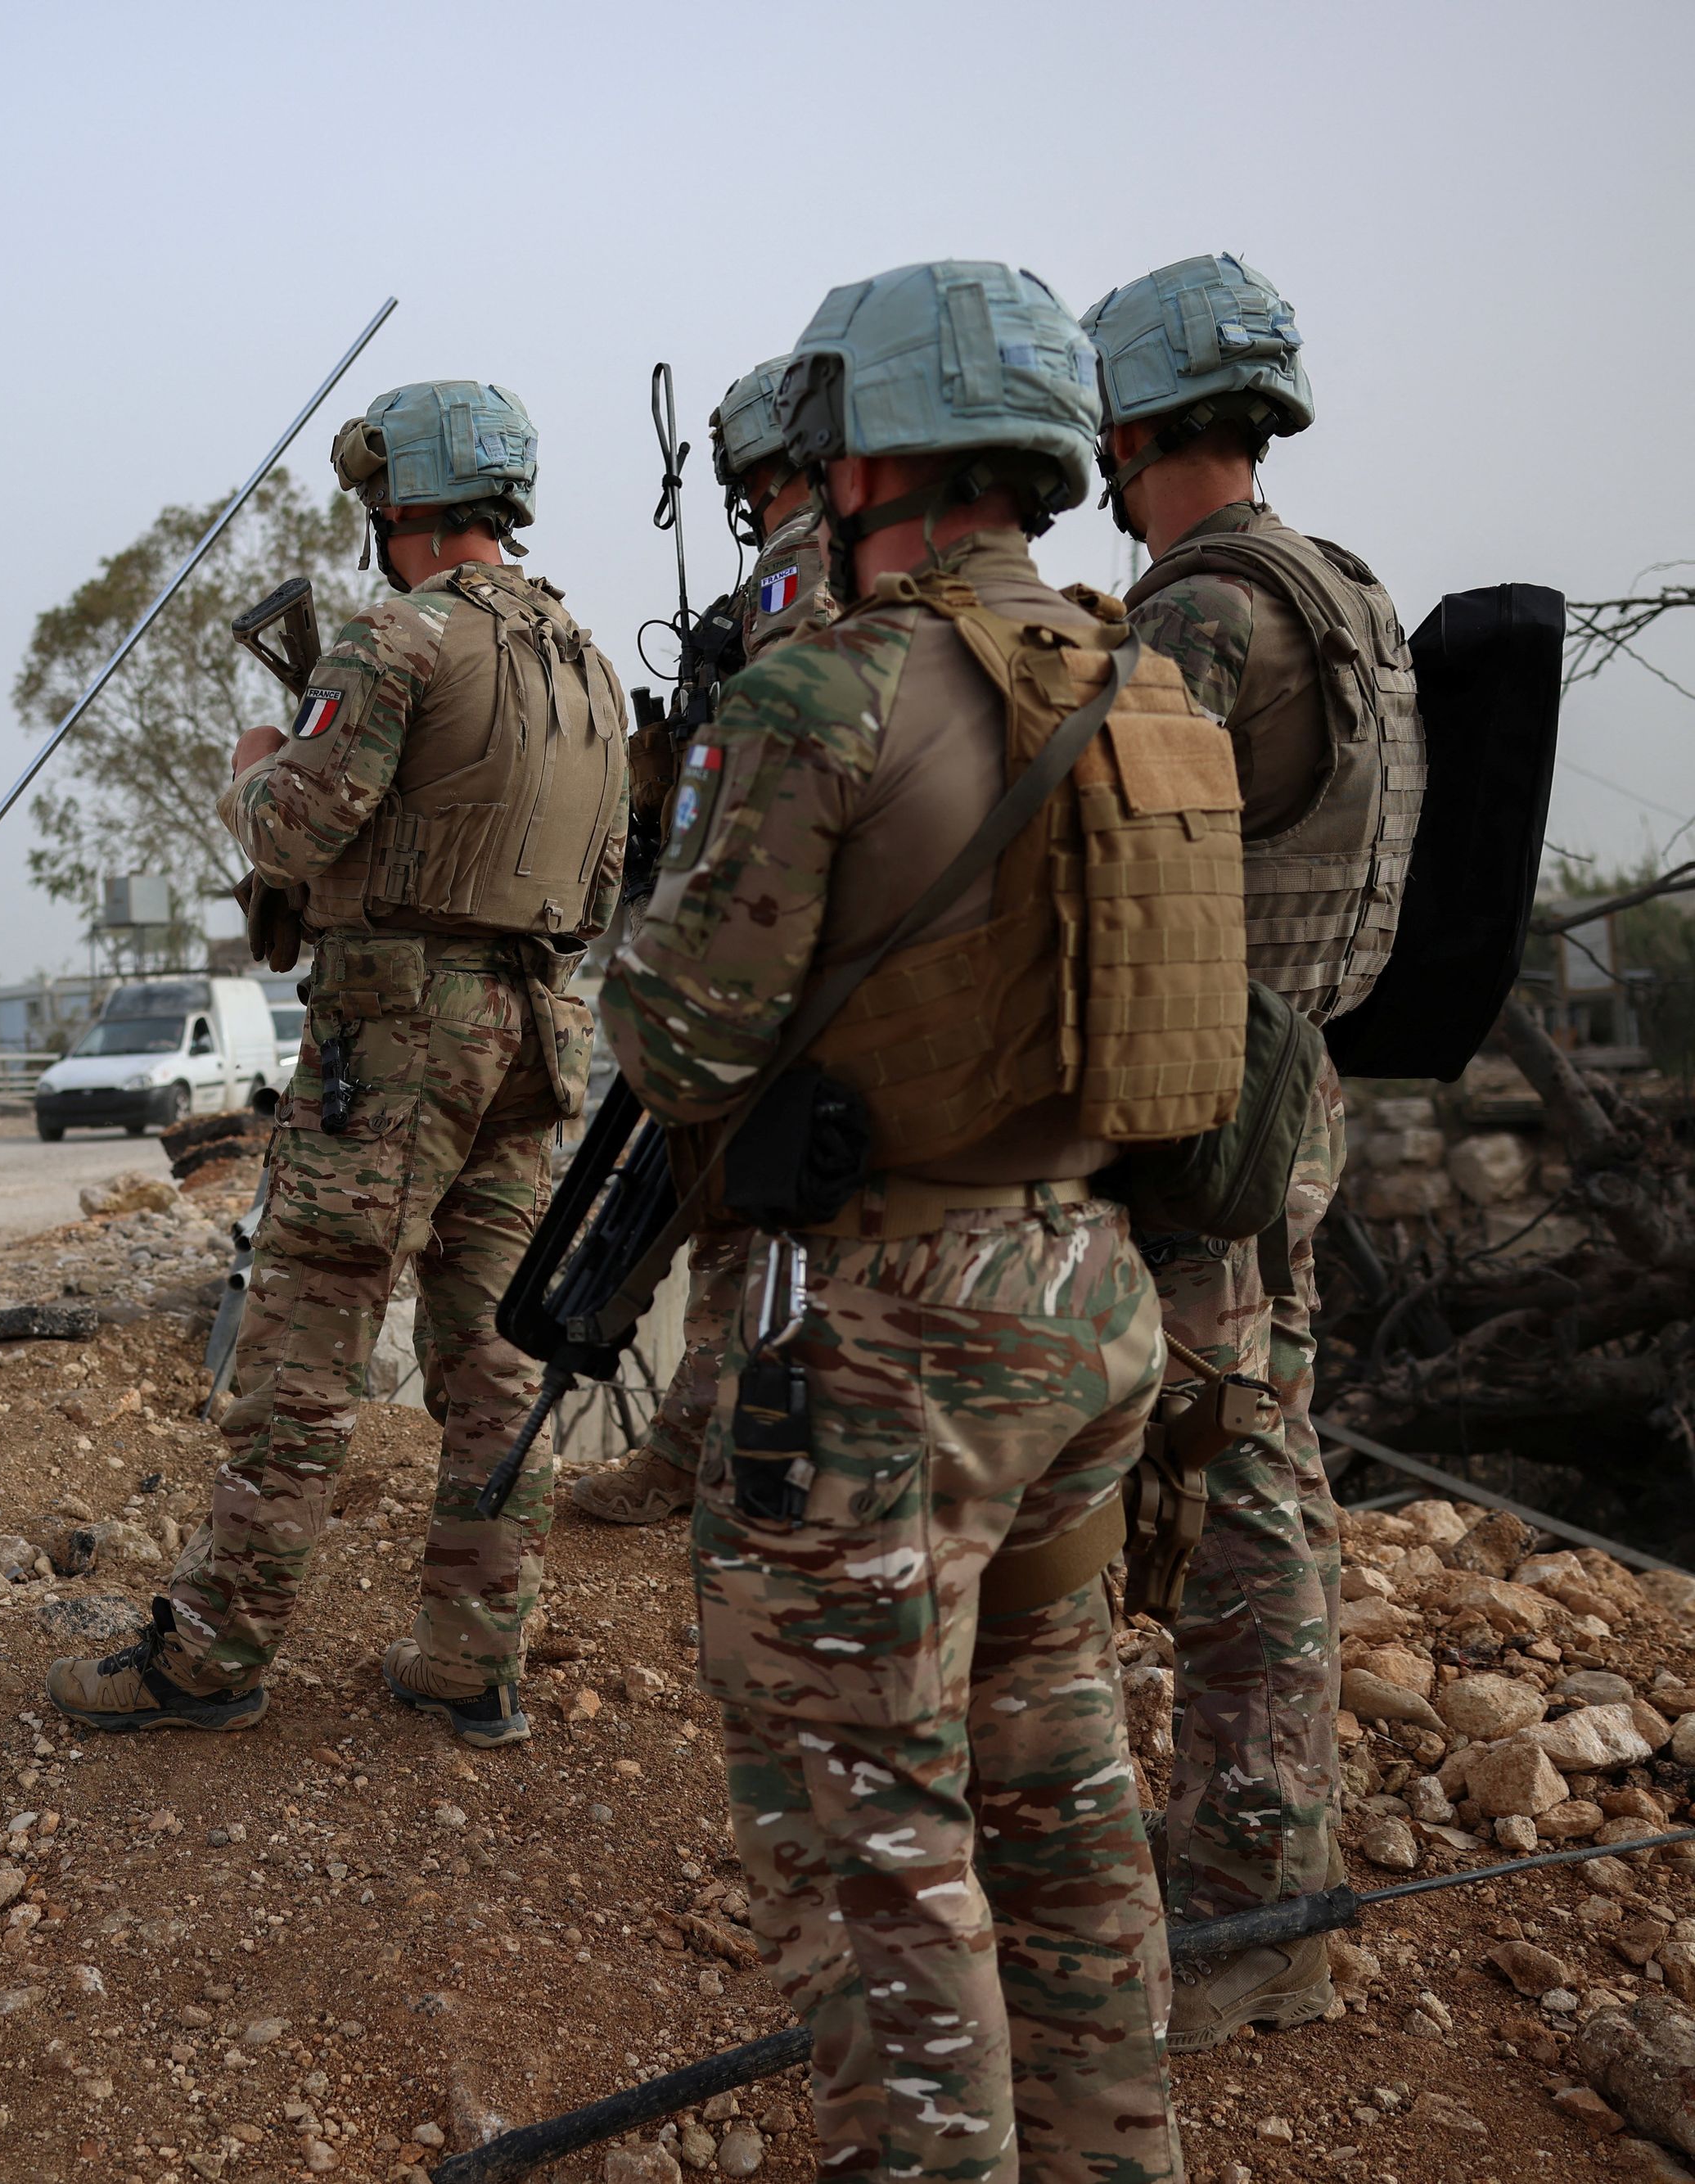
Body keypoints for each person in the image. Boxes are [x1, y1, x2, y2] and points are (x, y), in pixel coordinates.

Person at [604, 260, 1237, 2183]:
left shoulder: (829, 685)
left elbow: (676, 1037)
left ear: (869, 450)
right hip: (1088, 1305)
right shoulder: (1147, 679)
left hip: (891, 1336)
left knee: (872, 1846)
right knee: (1058, 1796)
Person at [47, 379, 624, 1749]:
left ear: (396, 503)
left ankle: (211, 1655)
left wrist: (251, 766)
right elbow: (601, 886)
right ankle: (473, 1658)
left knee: (304, 1354)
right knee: (490, 1361)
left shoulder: (395, 637)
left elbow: (297, 830)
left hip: (396, 1045)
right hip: (533, 1039)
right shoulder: (587, 663)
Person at [1084, 251, 1422, 2049]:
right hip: (1290, 1081)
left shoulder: (1201, 616)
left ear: (1122, 424)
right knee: (1257, 1460)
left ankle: (1250, 1908)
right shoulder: (1339, 587)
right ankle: (1245, 1843)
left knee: (1230, 1495)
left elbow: (1104, 862)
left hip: (1207, 1095)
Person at [570, 356, 836, 1529]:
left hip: (779, 951)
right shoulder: (874, 564)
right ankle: (693, 1449)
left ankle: (705, 1464)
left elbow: (781, 771)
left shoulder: (802, 573)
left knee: (742, 1214)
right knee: (736, 1219)